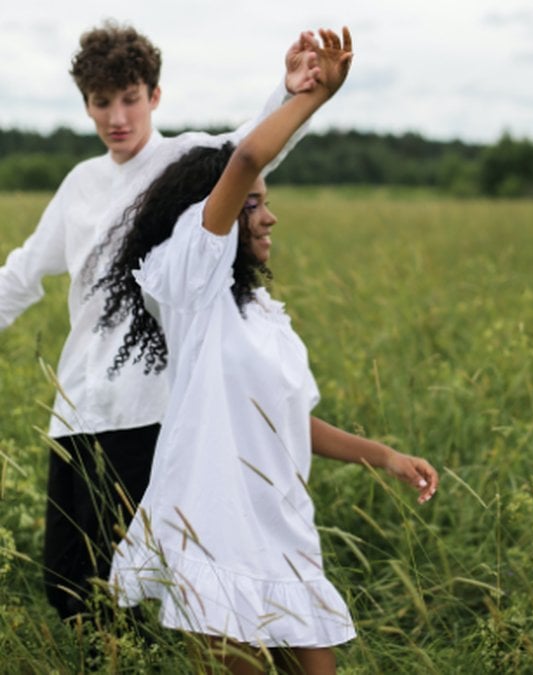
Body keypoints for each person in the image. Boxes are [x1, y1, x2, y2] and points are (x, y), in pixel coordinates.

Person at [96, 27, 439, 674]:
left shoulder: (255, 314)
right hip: (213, 527)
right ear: (209, 216)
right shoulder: (185, 282)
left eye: (262, 206)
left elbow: (286, 421)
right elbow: (246, 159)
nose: (267, 216)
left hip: (280, 524)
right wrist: (315, 100)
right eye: (251, 207)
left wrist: (384, 456)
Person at [0, 20, 320, 622]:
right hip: (75, 409)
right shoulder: (80, 184)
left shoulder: (183, 163)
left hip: (148, 408)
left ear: (154, 96)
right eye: (102, 102)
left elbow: (252, 146)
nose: (118, 115)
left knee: (121, 586)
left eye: (130, 98)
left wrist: (292, 91)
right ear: (87, 105)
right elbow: (19, 276)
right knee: (65, 582)